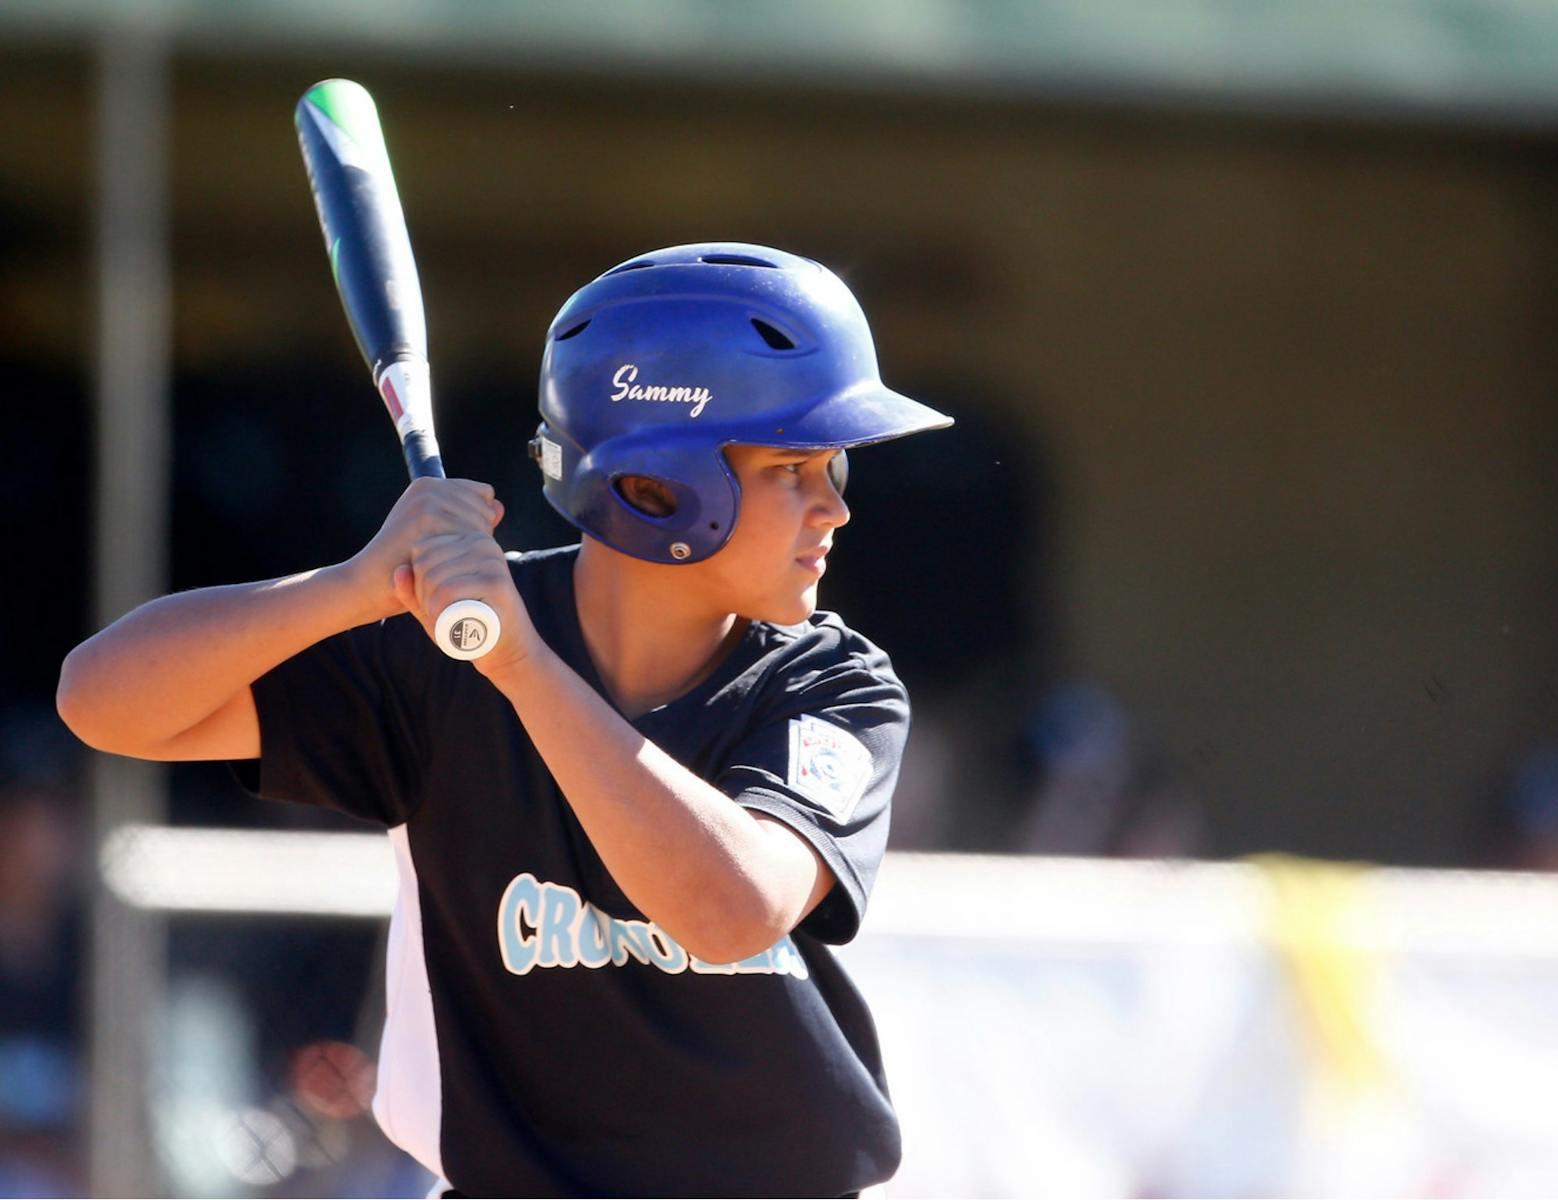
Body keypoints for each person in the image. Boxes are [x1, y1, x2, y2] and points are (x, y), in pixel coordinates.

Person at [57, 243, 952, 1197]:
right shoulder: (442, 657)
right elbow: (105, 702)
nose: (833, 510)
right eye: (792, 468)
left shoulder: (830, 681)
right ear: (658, 487)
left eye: (833, 468)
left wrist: (524, 669)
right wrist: (353, 586)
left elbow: (729, 911)